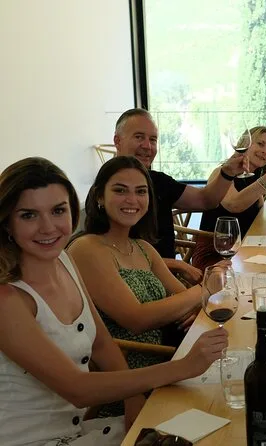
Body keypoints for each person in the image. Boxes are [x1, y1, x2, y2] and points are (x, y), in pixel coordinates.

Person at [0, 157, 228, 446]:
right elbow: (77, 389)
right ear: (7, 222)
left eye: (58, 211)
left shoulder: (64, 261)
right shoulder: (7, 297)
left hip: (80, 429)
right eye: (28, 215)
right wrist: (184, 367)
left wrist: (133, 398)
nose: (48, 227)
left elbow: (101, 342)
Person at [68, 156, 226, 362]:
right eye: (120, 190)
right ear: (99, 196)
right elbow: (136, 319)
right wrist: (204, 288)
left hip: (173, 355)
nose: (132, 200)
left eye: (141, 191)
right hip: (135, 368)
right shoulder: (87, 248)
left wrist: (195, 305)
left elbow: (189, 301)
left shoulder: (143, 248)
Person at [112, 108, 246, 285]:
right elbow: (115, 257)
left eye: (153, 139)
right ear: (117, 141)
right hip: (136, 286)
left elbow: (205, 200)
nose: (147, 146)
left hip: (168, 281)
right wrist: (177, 265)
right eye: (139, 137)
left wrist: (228, 172)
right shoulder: (108, 191)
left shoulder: (158, 181)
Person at [192, 126, 266, 271]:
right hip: (217, 253)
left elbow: (260, 213)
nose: (265, 151)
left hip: (243, 249)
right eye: (260, 144)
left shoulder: (252, 177)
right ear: (245, 144)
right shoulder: (221, 173)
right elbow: (234, 204)